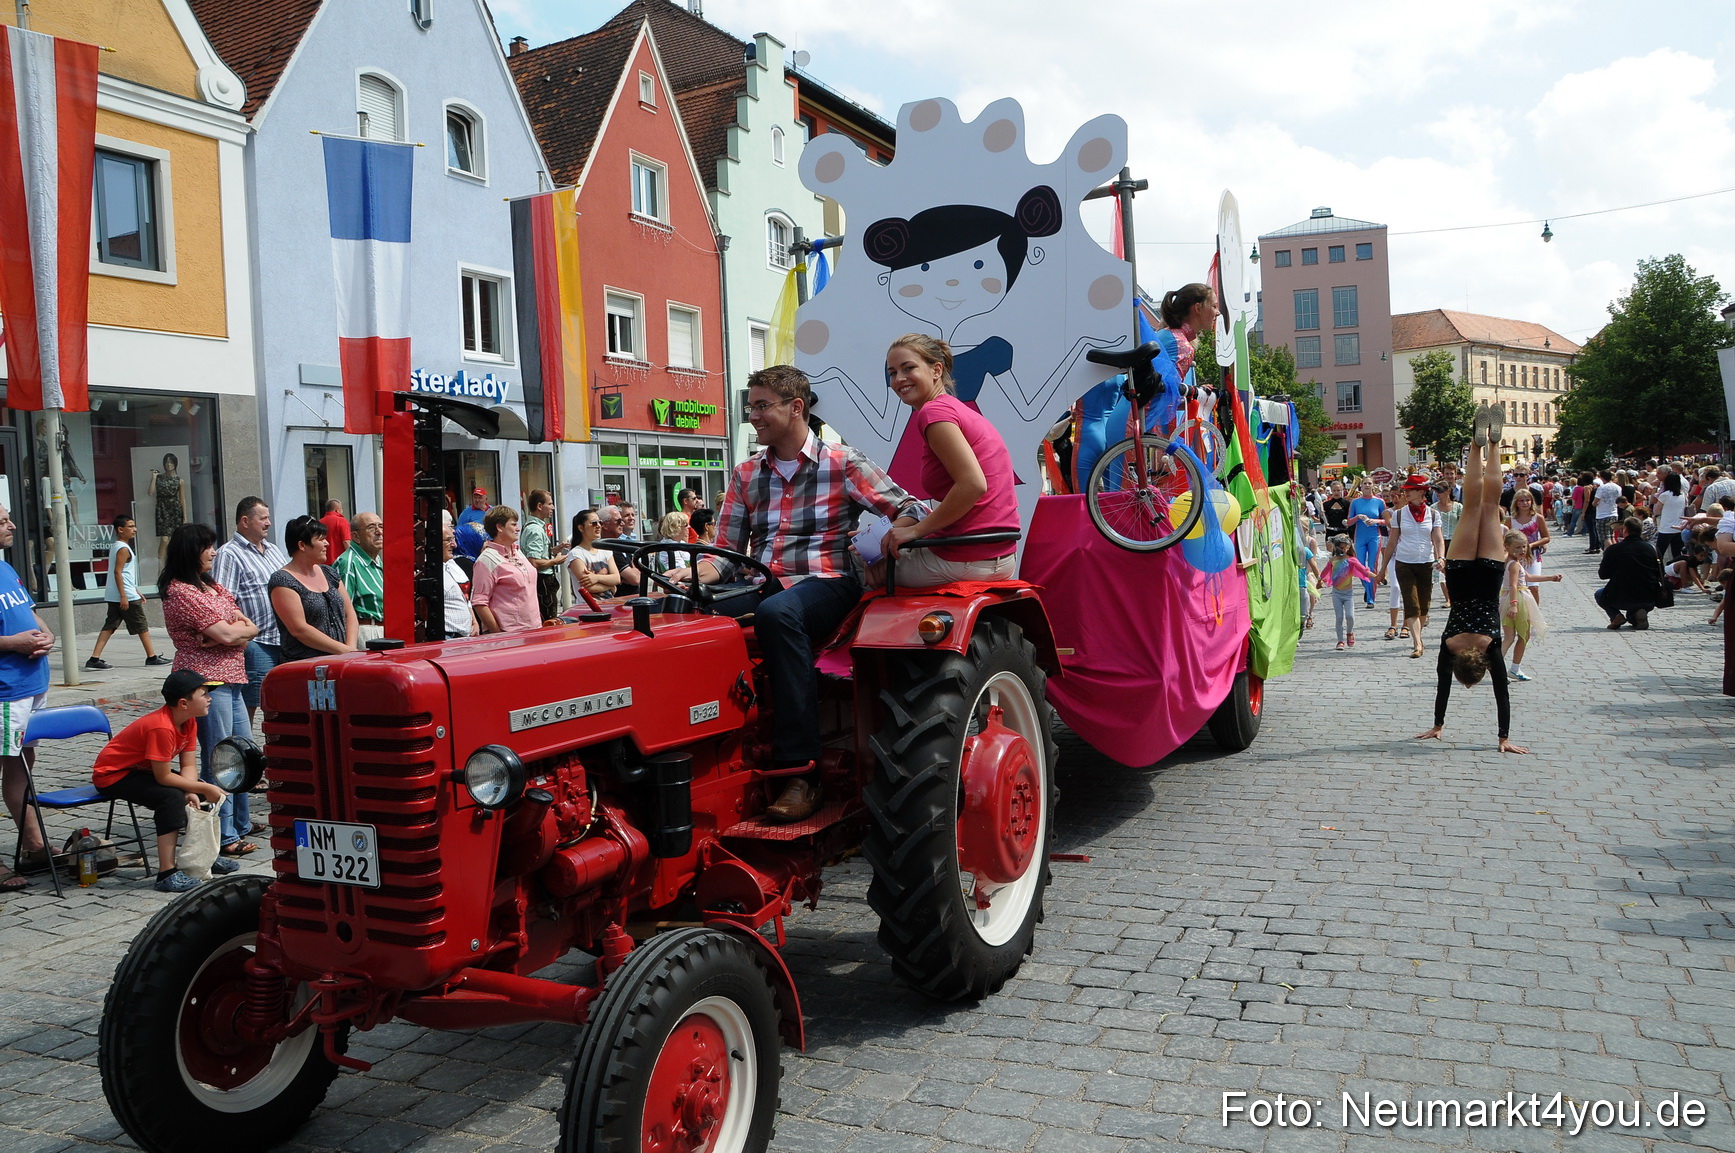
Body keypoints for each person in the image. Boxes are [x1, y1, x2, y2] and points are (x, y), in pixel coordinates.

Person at [681, 365, 922, 822]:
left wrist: (895, 536)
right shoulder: (747, 473)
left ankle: (800, 772)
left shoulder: (843, 461)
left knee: (778, 614)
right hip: (762, 581)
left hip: (829, 582)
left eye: (762, 405)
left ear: (796, 408)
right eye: (750, 406)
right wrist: (692, 577)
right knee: (675, 613)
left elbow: (909, 506)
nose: (753, 416)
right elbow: (726, 554)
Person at [1414, 403, 1527, 754]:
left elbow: (1501, 694)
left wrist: (1504, 736)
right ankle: (1475, 446)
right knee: (1474, 503)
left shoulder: (1491, 646)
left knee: (1489, 504)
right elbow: (1441, 688)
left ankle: (1493, 444)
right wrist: (1437, 722)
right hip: (1460, 569)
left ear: (1479, 668)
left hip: (1491, 570)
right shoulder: (1449, 646)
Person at [881, 334, 1020, 585]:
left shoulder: (934, 413)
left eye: (908, 368)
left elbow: (973, 484)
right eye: (892, 373)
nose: (899, 379)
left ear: (936, 369)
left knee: (853, 565)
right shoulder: (953, 409)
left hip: (966, 557)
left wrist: (914, 531)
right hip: (994, 554)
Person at [161, 522, 261, 857]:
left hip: (232, 677)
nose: (214, 552)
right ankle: (225, 830)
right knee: (219, 757)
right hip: (206, 682)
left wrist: (232, 631)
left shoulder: (211, 586)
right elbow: (233, 634)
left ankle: (242, 822)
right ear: (192, 550)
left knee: (245, 753)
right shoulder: (181, 591)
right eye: (208, 547)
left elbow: (250, 625)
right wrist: (233, 631)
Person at [91, 670, 240, 893]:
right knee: (171, 798)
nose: (210, 698)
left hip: (141, 769)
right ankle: (166, 873)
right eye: (204, 694)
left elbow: (188, 766)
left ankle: (205, 856)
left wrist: (193, 790)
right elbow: (163, 777)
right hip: (113, 774)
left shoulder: (189, 722)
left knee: (196, 794)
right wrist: (202, 787)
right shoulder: (161, 727)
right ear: (183, 703)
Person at [0, 504, 52, 887]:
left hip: (30, 686)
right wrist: (13, 643)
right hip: (5, 691)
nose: (12, 524)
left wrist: (46, 634)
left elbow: (31, 615)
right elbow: (15, 634)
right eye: (2, 521)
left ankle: (33, 844)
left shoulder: (5, 567)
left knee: (22, 766)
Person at [212, 498, 289, 727]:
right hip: (257, 643)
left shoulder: (273, 550)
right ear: (245, 521)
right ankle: (243, 751)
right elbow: (224, 601)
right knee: (252, 703)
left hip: (282, 640)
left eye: (268, 517)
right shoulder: (229, 553)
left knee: (280, 702)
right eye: (263, 518)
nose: (268, 523)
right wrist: (243, 639)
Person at [269, 515, 358, 660]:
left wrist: (350, 648)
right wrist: (344, 650)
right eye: (321, 539)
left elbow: (350, 613)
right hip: (305, 665)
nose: (327, 543)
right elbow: (299, 629)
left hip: (342, 660)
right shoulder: (283, 580)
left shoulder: (329, 573)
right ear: (302, 545)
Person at [87, 514, 170, 670]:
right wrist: (125, 596)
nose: (134, 530)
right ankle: (151, 657)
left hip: (119, 593)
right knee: (141, 625)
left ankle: (94, 658)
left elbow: (124, 573)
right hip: (124, 595)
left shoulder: (117, 546)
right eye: (130, 527)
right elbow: (118, 573)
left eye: (134, 526)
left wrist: (136, 590)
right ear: (120, 529)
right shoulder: (123, 549)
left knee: (110, 626)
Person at [1377, 474, 1444, 659]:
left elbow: (1437, 538)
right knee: (1411, 604)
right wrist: (1383, 569)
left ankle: (1418, 636)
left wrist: (1441, 557)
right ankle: (1417, 643)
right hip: (1404, 562)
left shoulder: (1433, 514)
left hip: (1426, 562)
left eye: (1410, 490)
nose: (1405, 493)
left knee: (1424, 605)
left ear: (1421, 492)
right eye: (1405, 490)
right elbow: (1391, 543)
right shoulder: (1398, 514)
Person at [1499, 531, 1561, 681]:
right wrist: (1514, 605)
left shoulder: (1511, 561)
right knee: (1521, 635)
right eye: (1518, 547)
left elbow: (1528, 577)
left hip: (1508, 597)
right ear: (1507, 547)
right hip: (1518, 599)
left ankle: (1500, 667)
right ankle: (1510, 667)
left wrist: (1550, 578)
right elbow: (1514, 585)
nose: (1522, 550)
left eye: (1524, 547)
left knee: (1510, 636)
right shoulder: (1513, 564)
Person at [470, 506, 540, 632]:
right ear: (499, 527)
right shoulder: (486, 560)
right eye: (513, 524)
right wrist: (499, 634)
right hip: (509, 634)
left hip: (534, 629)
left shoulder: (518, 552)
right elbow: (479, 602)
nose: (518, 528)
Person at [1596, 517, 1662, 630]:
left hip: (1619, 595)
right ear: (1640, 530)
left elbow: (1603, 574)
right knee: (1636, 608)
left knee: (1599, 594)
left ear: (1625, 530)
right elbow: (1661, 573)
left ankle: (1616, 616)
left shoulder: (1613, 549)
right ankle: (1639, 613)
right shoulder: (1652, 549)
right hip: (1648, 595)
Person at [333, 511, 384, 644]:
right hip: (366, 633)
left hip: (383, 630)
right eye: (371, 528)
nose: (379, 532)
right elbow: (341, 610)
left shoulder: (377, 560)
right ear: (356, 536)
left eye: (381, 526)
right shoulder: (349, 562)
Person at [521, 489, 567, 623]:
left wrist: (554, 550)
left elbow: (539, 554)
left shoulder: (535, 527)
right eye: (550, 504)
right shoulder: (535, 529)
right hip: (543, 581)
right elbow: (533, 562)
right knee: (549, 619)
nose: (552, 507)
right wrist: (555, 561)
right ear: (539, 506)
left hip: (544, 581)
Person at [1320, 534, 1373, 651]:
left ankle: (1350, 632)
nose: (1342, 550)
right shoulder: (1333, 560)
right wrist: (1319, 581)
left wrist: (1377, 577)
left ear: (1348, 548)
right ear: (1336, 547)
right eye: (1340, 547)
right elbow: (1324, 573)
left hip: (1348, 594)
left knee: (1350, 616)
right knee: (1339, 617)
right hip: (1336, 593)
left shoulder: (1351, 560)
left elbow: (1363, 570)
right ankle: (1340, 641)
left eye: (1345, 548)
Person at [567, 508, 625, 600]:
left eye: (600, 522)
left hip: (609, 604)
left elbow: (617, 578)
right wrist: (610, 586)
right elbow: (588, 587)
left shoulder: (606, 550)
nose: (598, 526)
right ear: (581, 528)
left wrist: (596, 578)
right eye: (594, 523)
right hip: (587, 608)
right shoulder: (576, 554)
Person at [1505, 488, 1551, 601]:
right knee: (1517, 585)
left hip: (1533, 555)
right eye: (1521, 500)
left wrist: (1532, 545)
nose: (1524, 503)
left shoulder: (1537, 518)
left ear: (1531, 502)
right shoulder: (1511, 520)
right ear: (1516, 502)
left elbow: (1546, 537)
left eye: (1527, 500)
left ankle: (1535, 613)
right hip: (1515, 556)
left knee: (1533, 586)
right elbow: (1505, 540)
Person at [1346, 479, 1386, 606]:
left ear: (1373, 486)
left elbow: (1386, 521)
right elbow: (1348, 522)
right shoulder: (1355, 502)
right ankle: (1368, 586)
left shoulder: (1379, 502)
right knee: (1360, 567)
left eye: (1369, 483)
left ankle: (1370, 598)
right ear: (1361, 487)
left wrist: (1375, 521)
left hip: (1374, 536)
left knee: (1372, 566)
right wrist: (1357, 517)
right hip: (1360, 537)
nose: (1367, 485)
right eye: (1365, 483)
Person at [441, 515, 477, 639]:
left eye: (454, 539)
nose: (455, 545)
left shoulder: (451, 564)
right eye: (449, 540)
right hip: (448, 637)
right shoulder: (427, 572)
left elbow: (463, 598)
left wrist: (474, 621)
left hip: (465, 636)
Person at [150, 452, 185, 567]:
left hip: (174, 510)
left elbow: (182, 499)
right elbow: (150, 492)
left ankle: (173, 566)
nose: (169, 464)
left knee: (176, 540)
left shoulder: (179, 480)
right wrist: (154, 478)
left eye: (171, 462)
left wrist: (185, 517)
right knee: (164, 539)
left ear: (175, 464)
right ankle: (160, 565)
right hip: (162, 509)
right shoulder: (159, 478)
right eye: (167, 462)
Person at [1590, 469, 1621, 553]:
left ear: (1602, 478)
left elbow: (1595, 502)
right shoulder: (1618, 487)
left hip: (1602, 515)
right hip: (1614, 513)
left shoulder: (1602, 488)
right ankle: (1616, 553)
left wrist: (1593, 503)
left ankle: (1610, 554)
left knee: (1605, 537)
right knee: (1612, 536)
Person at [455, 488, 489, 561]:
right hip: (475, 549)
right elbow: (459, 532)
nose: (477, 500)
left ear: (486, 499)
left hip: (490, 545)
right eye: (475, 497)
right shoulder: (466, 513)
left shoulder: (492, 511)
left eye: (480, 498)